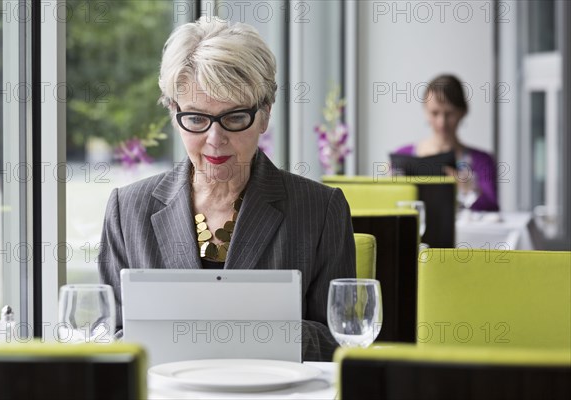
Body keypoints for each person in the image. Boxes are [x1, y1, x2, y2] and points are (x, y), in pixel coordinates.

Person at [97, 17, 356, 361]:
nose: (215, 140)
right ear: (174, 114)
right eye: (196, 119)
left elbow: (340, 342)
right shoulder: (127, 210)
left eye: (234, 118)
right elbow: (108, 336)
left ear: (264, 114)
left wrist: (250, 335)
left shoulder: (320, 210)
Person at [394, 74, 499, 212]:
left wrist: (470, 190)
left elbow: (492, 208)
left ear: (462, 112)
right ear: (425, 111)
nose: (442, 122)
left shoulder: (482, 161)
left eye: (449, 114)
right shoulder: (403, 156)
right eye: (435, 113)